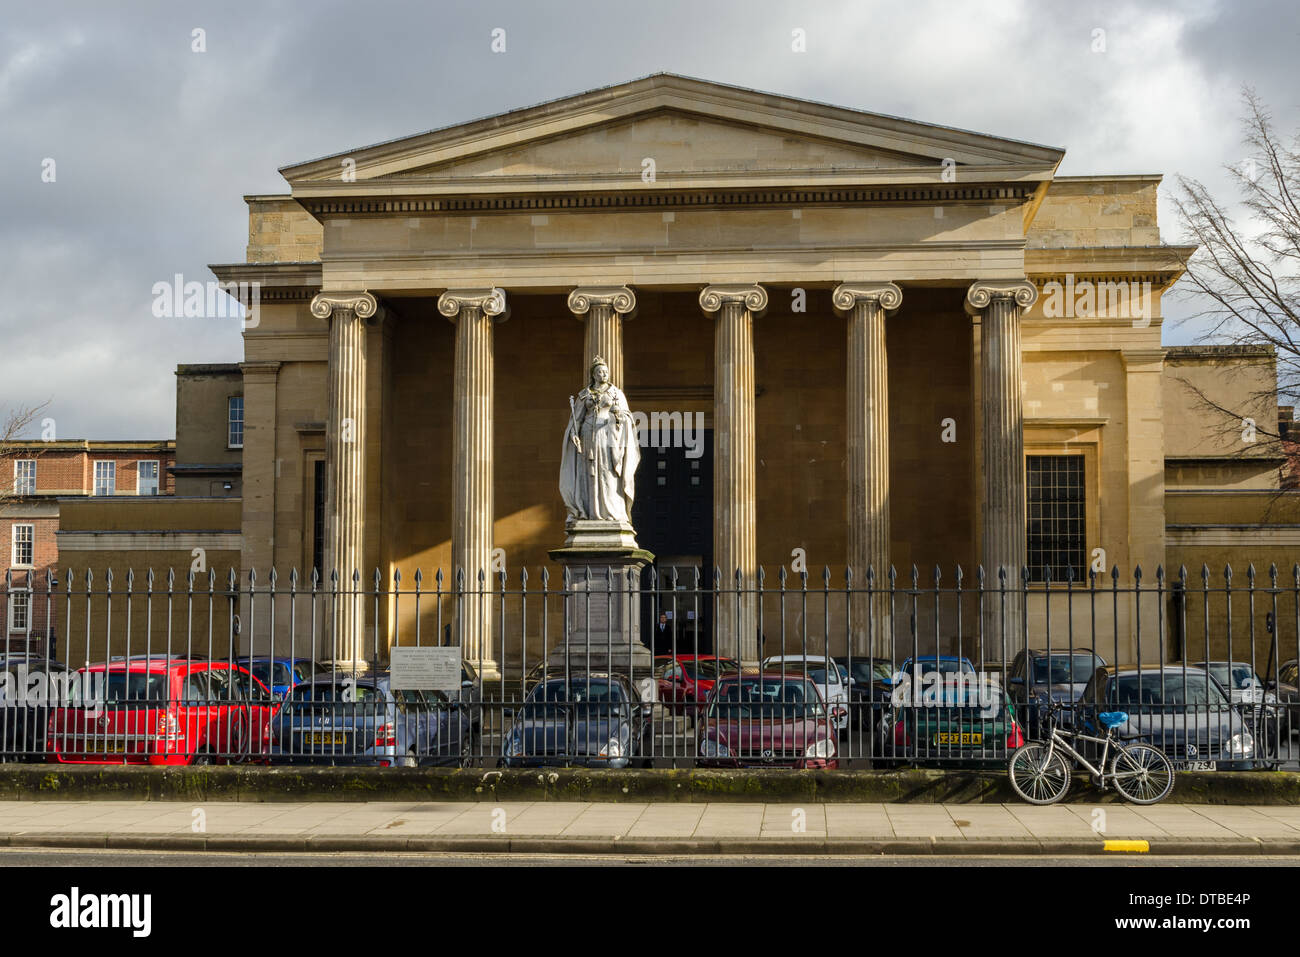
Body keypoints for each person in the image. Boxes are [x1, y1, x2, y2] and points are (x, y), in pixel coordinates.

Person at [559, 356, 640, 525]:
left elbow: (627, 417)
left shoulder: (617, 393)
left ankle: (612, 510)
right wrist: (574, 432)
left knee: (608, 472)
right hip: (588, 435)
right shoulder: (584, 395)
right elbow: (577, 419)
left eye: (605, 372)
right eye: (600, 372)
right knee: (589, 472)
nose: (603, 374)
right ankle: (589, 511)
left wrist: (619, 416)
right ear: (594, 375)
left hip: (608, 437)